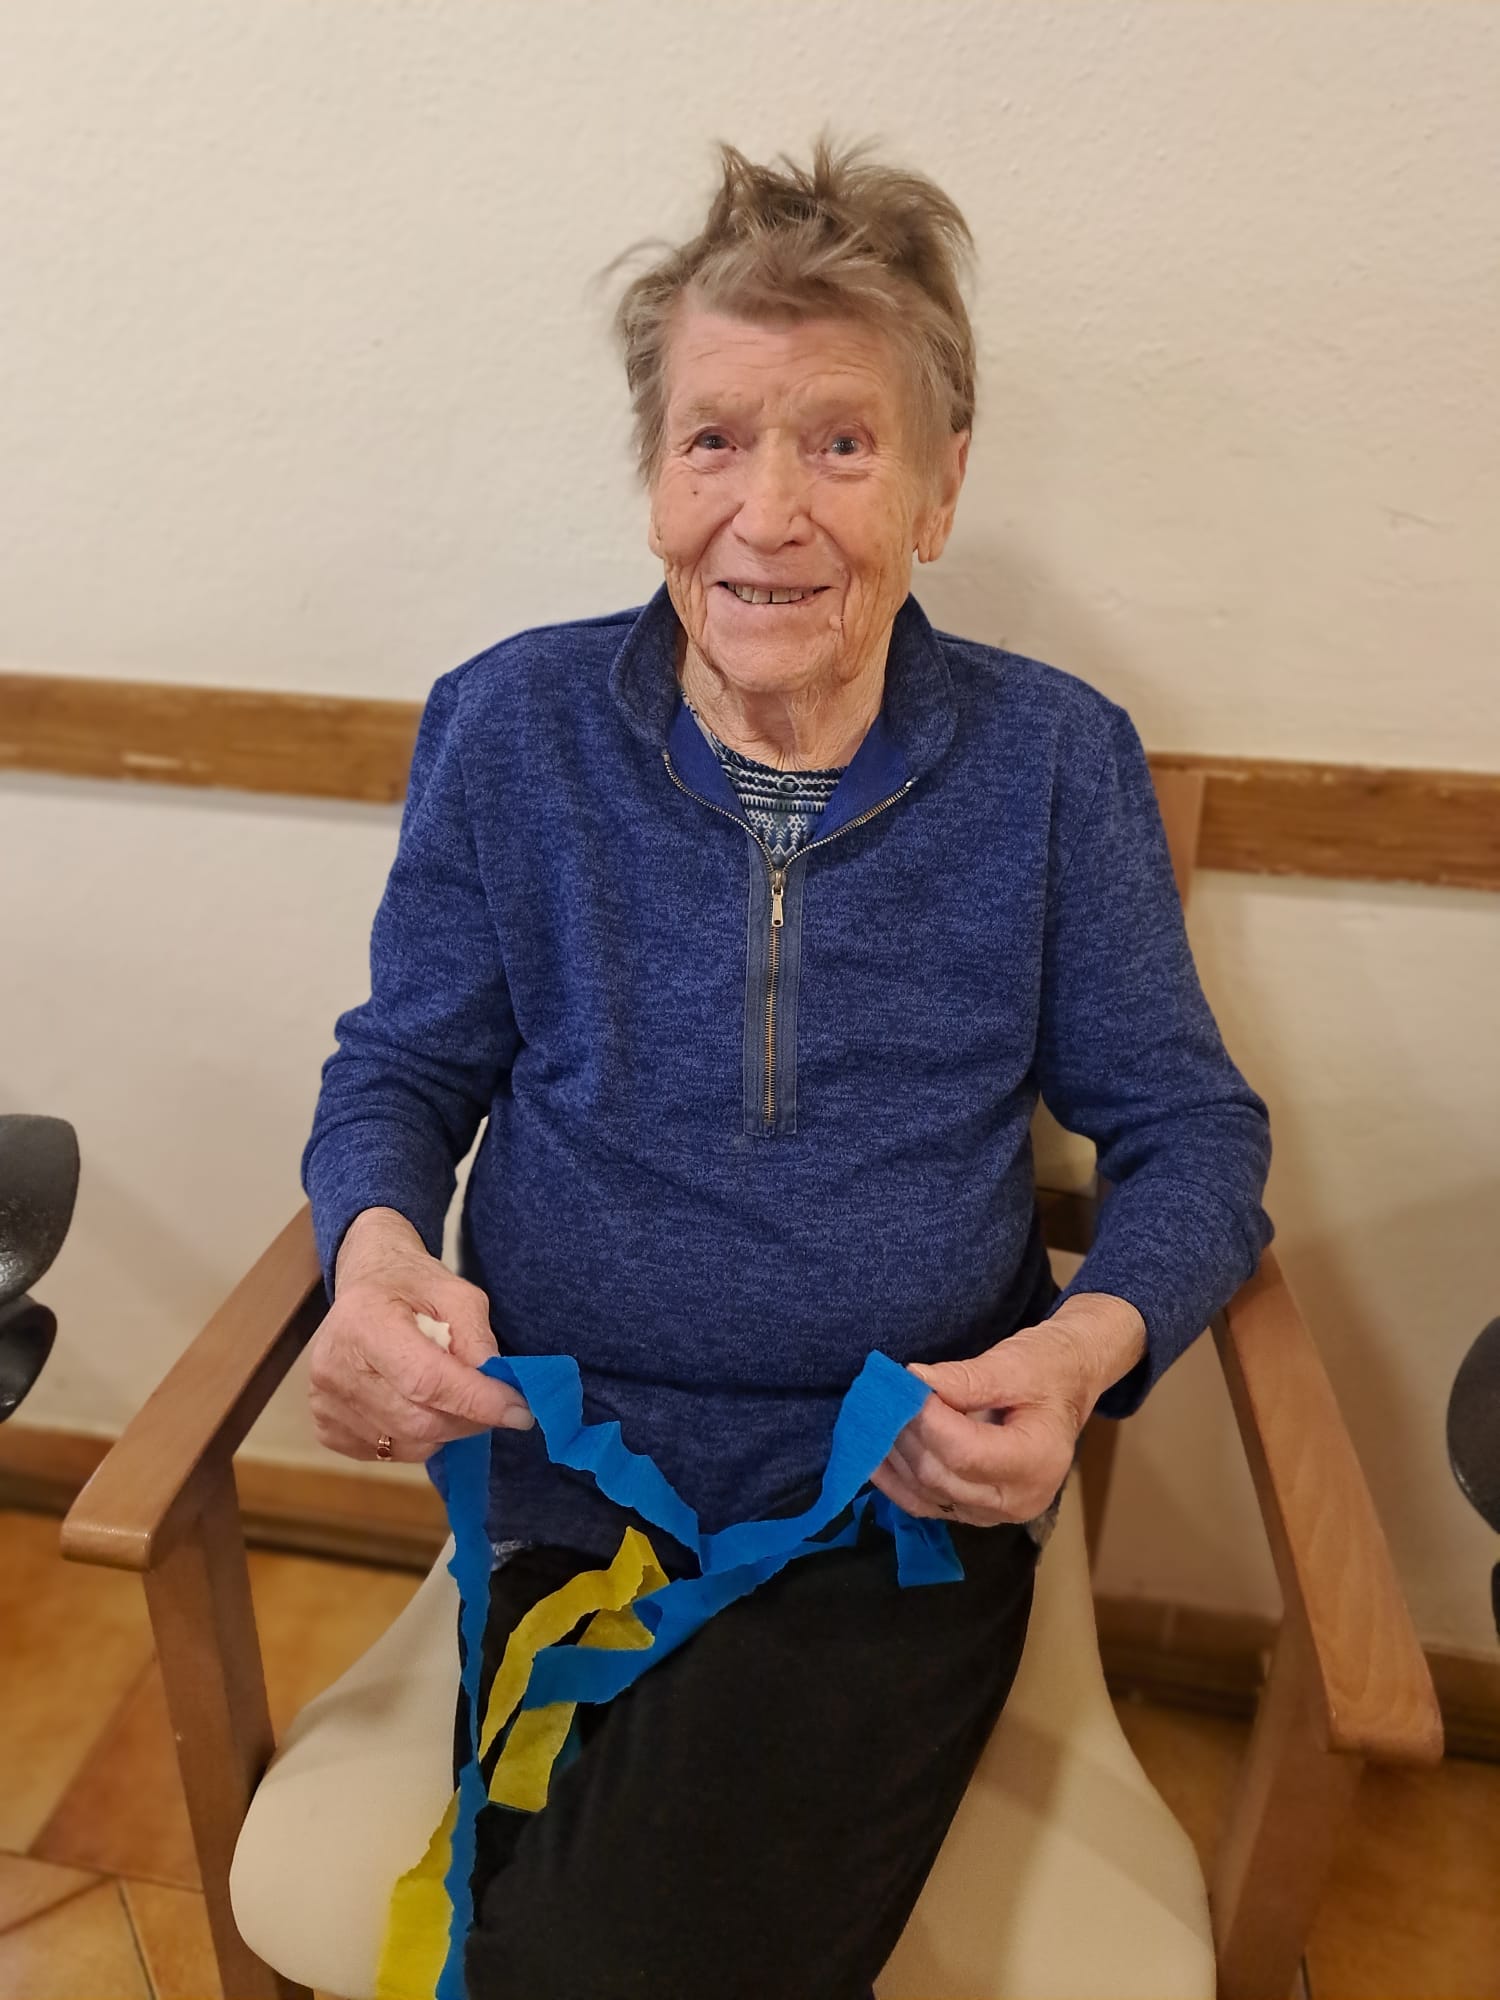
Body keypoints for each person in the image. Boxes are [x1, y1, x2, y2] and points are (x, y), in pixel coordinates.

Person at [301, 138, 1272, 2000]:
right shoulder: (510, 726)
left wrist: (1082, 1352)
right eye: (713, 439)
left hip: (891, 1493)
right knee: (566, 1938)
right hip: (567, 1466)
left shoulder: (1055, 764)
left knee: (602, 1960)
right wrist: (371, 1250)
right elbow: (401, 1071)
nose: (767, 513)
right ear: (653, 479)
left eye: (839, 443)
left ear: (940, 487)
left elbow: (1193, 1134)